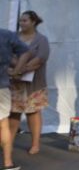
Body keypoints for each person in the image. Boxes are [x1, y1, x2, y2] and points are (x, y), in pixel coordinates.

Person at [7, 11, 49, 156]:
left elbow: (41, 57)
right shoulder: (13, 37)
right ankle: (8, 143)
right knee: (13, 113)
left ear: (33, 22)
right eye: (20, 20)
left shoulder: (41, 39)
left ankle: (35, 144)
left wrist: (22, 69)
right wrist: (18, 69)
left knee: (33, 112)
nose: (21, 23)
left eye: (24, 20)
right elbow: (7, 54)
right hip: (15, 82)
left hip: (34, 83)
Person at [0, 26, 30, 170]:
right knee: (3, 124)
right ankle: (7, 163)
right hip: (1, 85)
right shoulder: (5, 34)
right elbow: (25, 51)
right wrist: (17, 70)